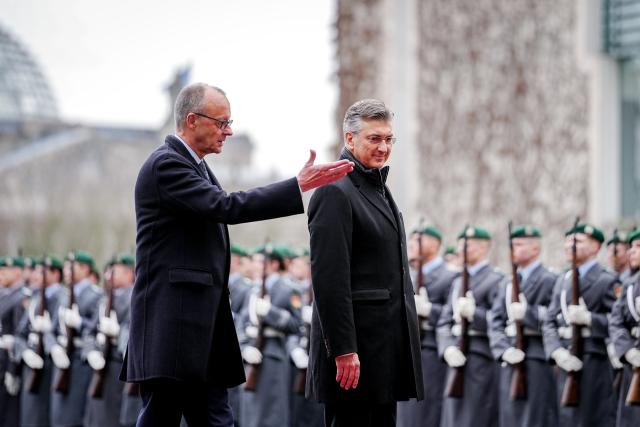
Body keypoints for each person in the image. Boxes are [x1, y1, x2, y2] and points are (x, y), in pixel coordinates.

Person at [120, 82, 353, 427]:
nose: (228, 131)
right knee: (161, 415)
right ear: (192, 120)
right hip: (174, 323)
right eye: (221, 122)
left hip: (200, 324)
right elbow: (225, 206)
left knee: (217, 418)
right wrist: (295, 186)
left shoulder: (194, 165)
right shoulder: (166, 165)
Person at [306, 99, 423, 426]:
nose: (384, 147)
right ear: (350, 138)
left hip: (383, 353)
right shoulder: (335, 191)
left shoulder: (377, 188)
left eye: (388, 139)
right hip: (355, 357)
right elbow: (329, 280)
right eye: (374, 138)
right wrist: (343, 349)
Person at [542, 223, 618, 426]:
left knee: (592, 418)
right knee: (566, 418)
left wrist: (590, 319)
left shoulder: (606, 280)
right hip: (565, 360)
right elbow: (549, 320)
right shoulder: (563, 280)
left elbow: (618, 323)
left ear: (595, 247)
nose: (569, 245)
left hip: (594, 360)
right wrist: (556, 350)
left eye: (577, 241)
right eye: (567, 240)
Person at [488, 225, 558, 427]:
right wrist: (503, 350)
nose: (513, 250)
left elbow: (556, 318)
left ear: (535, 248)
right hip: (511, 357)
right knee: (510, 418)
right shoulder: (508, 283)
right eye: (512, 245)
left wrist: (528, 314)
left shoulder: (549, 279)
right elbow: (496, 320)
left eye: (519, 245)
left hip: (536, 355)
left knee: (535, 416)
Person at [436, 226, 504, 427]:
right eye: (460, 244)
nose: (462, 249)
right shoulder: (458, 281)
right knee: (453, 419)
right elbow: (444, 321)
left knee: (476, 416)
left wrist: (476, 315)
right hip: (456, 355)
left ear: (484, 247)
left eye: (468, 245)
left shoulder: (496, 279)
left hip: (480, 357)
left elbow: (500, 321)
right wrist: (447, 347)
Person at [397, 226, 458, 427]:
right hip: (407, 349)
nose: (412, 244)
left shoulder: (450, 276)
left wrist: (429, 309)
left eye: (418, 240)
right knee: (405, 414)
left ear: (434, 244)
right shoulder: (407, 274)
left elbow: (453, 315)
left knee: (427, 412)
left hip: (430, 350)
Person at [84, 254, 140, 427]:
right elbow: (90, 330)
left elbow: (133, 328)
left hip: (118, 362)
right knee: (97, 418)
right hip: (101, 363)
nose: (108, 275)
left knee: (113, 418)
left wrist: (117, 333)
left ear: (130, 273)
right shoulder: (106, 297)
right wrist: (91, 349)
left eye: (115, 271)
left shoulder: (134, 296)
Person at [50, 250, 102, 427]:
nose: (66, 271)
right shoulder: (64, 295)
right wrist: (53, 347)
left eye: (70, 267)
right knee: (58, 417)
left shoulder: (95, 295)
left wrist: (79, 323)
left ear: (85, 268)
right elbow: (53, 329)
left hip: (80, 361)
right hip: (62, 359)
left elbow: (97, 328)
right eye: (65, 267)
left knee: (75, 417)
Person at [14, 255, 66, 427]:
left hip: (51, 364)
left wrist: (50, 341)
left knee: (43, 417)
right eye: (36, 271)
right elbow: (20, 333)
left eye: (41, 271)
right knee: (29, 417)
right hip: (33, 362)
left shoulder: (62, 297)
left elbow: (63, 333)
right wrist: (24, 351)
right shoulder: (36, 297)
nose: (36, 275)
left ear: (56, 274)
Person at [609, 228, 640, 427]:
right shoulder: (629, 284)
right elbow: (616, 320)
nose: (631, 252)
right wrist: (627, 351)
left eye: (638, 247)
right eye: (631, 247)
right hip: (634, 363)